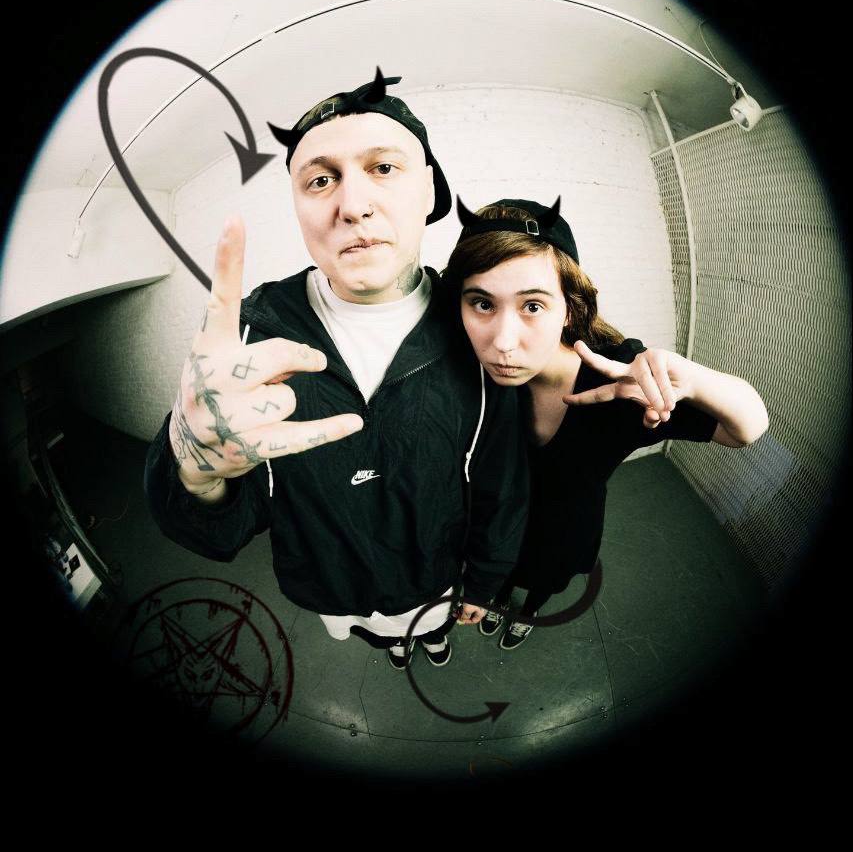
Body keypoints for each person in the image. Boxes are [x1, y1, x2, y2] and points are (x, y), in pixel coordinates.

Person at [143, 68, 529, 672]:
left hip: (435, 578)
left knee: (429, 630)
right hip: (331, 586)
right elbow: (222, 528)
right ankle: (396, 645)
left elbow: (500, 481)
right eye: (320, 180)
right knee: (379, 638)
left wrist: (483, 581)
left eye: (384, 168)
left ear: (430, 189)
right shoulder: (250, 335)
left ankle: (429, 640)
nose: (352, 205)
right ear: (297, 207)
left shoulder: (480, 330)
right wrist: (195, 478)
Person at [441, 196, 769, 651]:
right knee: (503, 578)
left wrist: (689, 378)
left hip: (564, 533)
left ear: (569, 309)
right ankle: (500, 599)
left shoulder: (620, 382)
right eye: (482, 303)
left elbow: (745, 430)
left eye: (532, 306)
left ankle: (527, 613)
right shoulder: (469, 378)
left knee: (542, 585)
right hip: (493, 531)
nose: (503, 341)